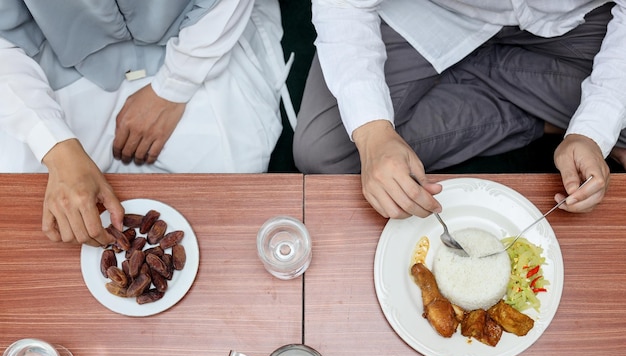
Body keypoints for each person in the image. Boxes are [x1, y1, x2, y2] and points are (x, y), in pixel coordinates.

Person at [0, 0, 295, 246]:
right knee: (32, 206)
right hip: (55, 63)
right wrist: (57, 147)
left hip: (192, 38)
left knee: (232, 186)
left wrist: (173, 87)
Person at [294, 0, 625, 219]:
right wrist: (372, 134)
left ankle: (471, 75)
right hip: (426, 12)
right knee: (327, 149)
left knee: (610, 120)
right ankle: (542, 111)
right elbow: (343, 4)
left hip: (573, 21)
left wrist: (590, 131)